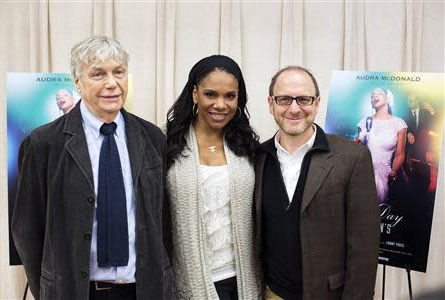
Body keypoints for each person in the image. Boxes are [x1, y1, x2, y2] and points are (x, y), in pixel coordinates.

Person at [11, 36, 173, 300]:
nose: (111, 83)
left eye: (118, 72)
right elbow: (27, 229)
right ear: (77, 81)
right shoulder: (44, 143)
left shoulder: (152, 137)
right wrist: (49, 291)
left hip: (144, 290)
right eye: (98, 74)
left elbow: (164, 219)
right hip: (77, 292)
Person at [254, 66, 380, 300]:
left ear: (317, 102)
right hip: (271, 294)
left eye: (303, 99)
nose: (294, 108)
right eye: (284, 99)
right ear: (271, 104)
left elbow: (364, 250)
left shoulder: (353, 158)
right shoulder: (258, 157)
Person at [166, 55, 261, 299]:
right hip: (189, 280)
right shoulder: (167, 146)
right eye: (211, 94)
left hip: (242, 280)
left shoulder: (248, 147)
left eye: (230, 96)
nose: (221, 105)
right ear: (195, 94)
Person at [356, 88, 407, 203]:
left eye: (379, 93)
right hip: (363, 173)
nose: (375, 96)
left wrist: (393, 172)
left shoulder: (399, 123)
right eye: (372, 95)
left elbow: (400, 155)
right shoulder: (364, 122)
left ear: (388, 98)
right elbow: (356, 150)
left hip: (385, 174)